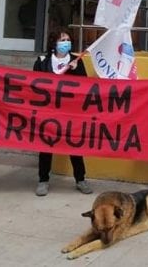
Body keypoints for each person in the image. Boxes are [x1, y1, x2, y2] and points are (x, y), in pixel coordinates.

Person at [33, 28, 92, 196]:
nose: (66, 43)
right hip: (48, 111)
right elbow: (34, 84)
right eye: (62, 40)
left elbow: (85, 86)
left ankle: (80, 179)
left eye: (68, 40)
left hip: (70, 111)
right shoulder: (42, 61)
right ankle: (43, 180)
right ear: (54, 43)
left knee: (74, 145)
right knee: (46, 146)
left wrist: (76, 70)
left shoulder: (76, 61)